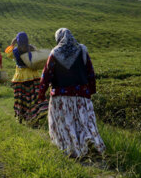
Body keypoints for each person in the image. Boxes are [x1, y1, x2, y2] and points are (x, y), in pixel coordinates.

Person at [38, 28, 105, 158]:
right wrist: (91, 90)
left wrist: (41, 93)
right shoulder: (82, 50)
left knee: (66, 124)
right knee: (84, 122)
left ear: (58, 39)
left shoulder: (54, 53)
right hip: (81, 95)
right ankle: (89, 142)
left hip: (61, 97)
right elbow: (90, 72)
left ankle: (70, 149)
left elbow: (46, 75)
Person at [5, 32, 48, 124]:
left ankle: (21, 117)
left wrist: (12, 43)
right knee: (33, 98)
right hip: (33, 76)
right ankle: (35, 116)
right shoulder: (31, 48)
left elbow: (8, 54)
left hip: (20, 78)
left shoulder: (15, 51)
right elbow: (37, 57)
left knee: (21, 99)